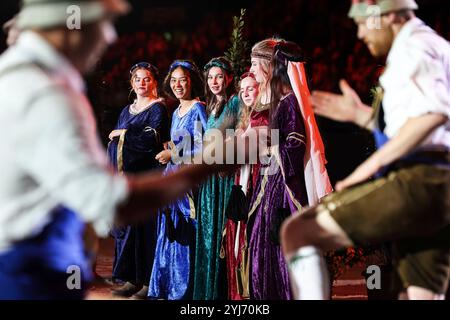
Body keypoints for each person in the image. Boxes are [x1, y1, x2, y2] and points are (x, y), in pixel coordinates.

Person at [0, 0, 233, 300]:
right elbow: (112, 203)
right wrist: (204, 167)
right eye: (103, 23)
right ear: (71, 24)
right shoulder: (45, 93)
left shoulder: (22, 76)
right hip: (27, 279)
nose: (110, 36)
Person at [281, 0, 450, 300]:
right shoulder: (429, 45)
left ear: (387, 17)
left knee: (298, 232)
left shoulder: (414, 48)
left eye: (361, 22)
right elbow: (420, 122)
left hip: (418, 181)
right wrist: (362, 116)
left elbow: (433, 116)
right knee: (419, 294)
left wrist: (366, 170)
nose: (359, 34)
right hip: (437, 189)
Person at [246, 39, 332, 300]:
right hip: (267, 182)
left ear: (268, 65)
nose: (251, 69)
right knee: (261, 241)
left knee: (275, 243)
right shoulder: (274, 100)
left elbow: (295, 143)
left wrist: (271, 149)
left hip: (282, 188)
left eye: (254, 63)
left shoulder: (289, 101)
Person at [107, 62, 169, 298]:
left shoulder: (157, 109)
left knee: (145, 230)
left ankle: (146, 282)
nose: (142, 83)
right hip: (126, 178)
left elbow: (150, 139)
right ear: (132, 84)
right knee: (128, 229)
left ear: (154, 82)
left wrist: (123, 134)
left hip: (147, 177)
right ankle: (131, 278)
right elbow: (114, 142)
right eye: (137, 80)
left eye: (147, 79)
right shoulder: (127, 110)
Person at [148, 60, 208, 300]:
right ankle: (168, 286)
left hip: (187, 183)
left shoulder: (198, 108)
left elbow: (205, 148)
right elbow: (185, 142)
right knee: (169, 235)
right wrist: (172, 146)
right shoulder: (175, 112)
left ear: (191, 80)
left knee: (184, 237)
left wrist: (173, 154)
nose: (178, 85)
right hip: (171, 179)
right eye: (173, 81)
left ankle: (182, 292)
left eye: (182, 79)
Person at [193, 57, 240, 300]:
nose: (214, 81)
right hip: (209, 180)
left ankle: (220, 294)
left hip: (223, 179)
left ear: (229, 79)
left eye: (219, 76)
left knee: (221, 236)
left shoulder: (234, 103)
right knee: (207, 235)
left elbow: (241, 138)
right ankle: (206, 294)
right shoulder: (211, 105)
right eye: (210, 77)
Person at [223, 71, 267, 300]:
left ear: (261, 88)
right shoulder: (244, 117)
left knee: (251, 241)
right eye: (242, 89)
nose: (246, 92)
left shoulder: (264, 116)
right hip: (241, 183)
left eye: (251, 87)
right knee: (237, 240)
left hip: (257, 185)